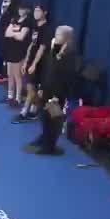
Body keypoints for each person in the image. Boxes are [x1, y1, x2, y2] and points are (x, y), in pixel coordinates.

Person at [25, 25, 79, 156]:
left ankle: (50, 146)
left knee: (53, 119)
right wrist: (41, 87)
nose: (55, 37)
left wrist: (56, 95)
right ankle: (44, 137)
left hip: (57, 94)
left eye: (58, 35)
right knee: (44, 116)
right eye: (55, 34)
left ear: (66, 38)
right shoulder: (54, 50)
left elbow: (62, 75)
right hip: (47, 89)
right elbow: (48, 69)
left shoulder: (70, 56)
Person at [13, 3, 54, 123]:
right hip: (31, 61)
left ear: (44, 13)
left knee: (31, 87)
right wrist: (26, 61)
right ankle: (34, 110)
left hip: (41, 63)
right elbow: (32, 45)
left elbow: (42, 48)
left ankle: (24, 113)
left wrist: (34, 64)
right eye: (35, 11)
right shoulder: (35, 27)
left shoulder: (47, 29)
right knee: (31, 88)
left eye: (38, 11)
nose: (36, 13)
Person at [0, 3, 31, 106]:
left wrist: (13, 34)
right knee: (10, 74)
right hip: (10, 50)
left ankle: (18, 98)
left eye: (23, 9)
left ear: (27, 10)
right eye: (20, 8)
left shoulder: (27, 22)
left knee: (17, 76)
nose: (20, 11)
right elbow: (6, 33)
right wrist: (15, 34)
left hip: (19, 52)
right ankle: (10, 96)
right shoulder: (14, 19)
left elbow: (22, 37)